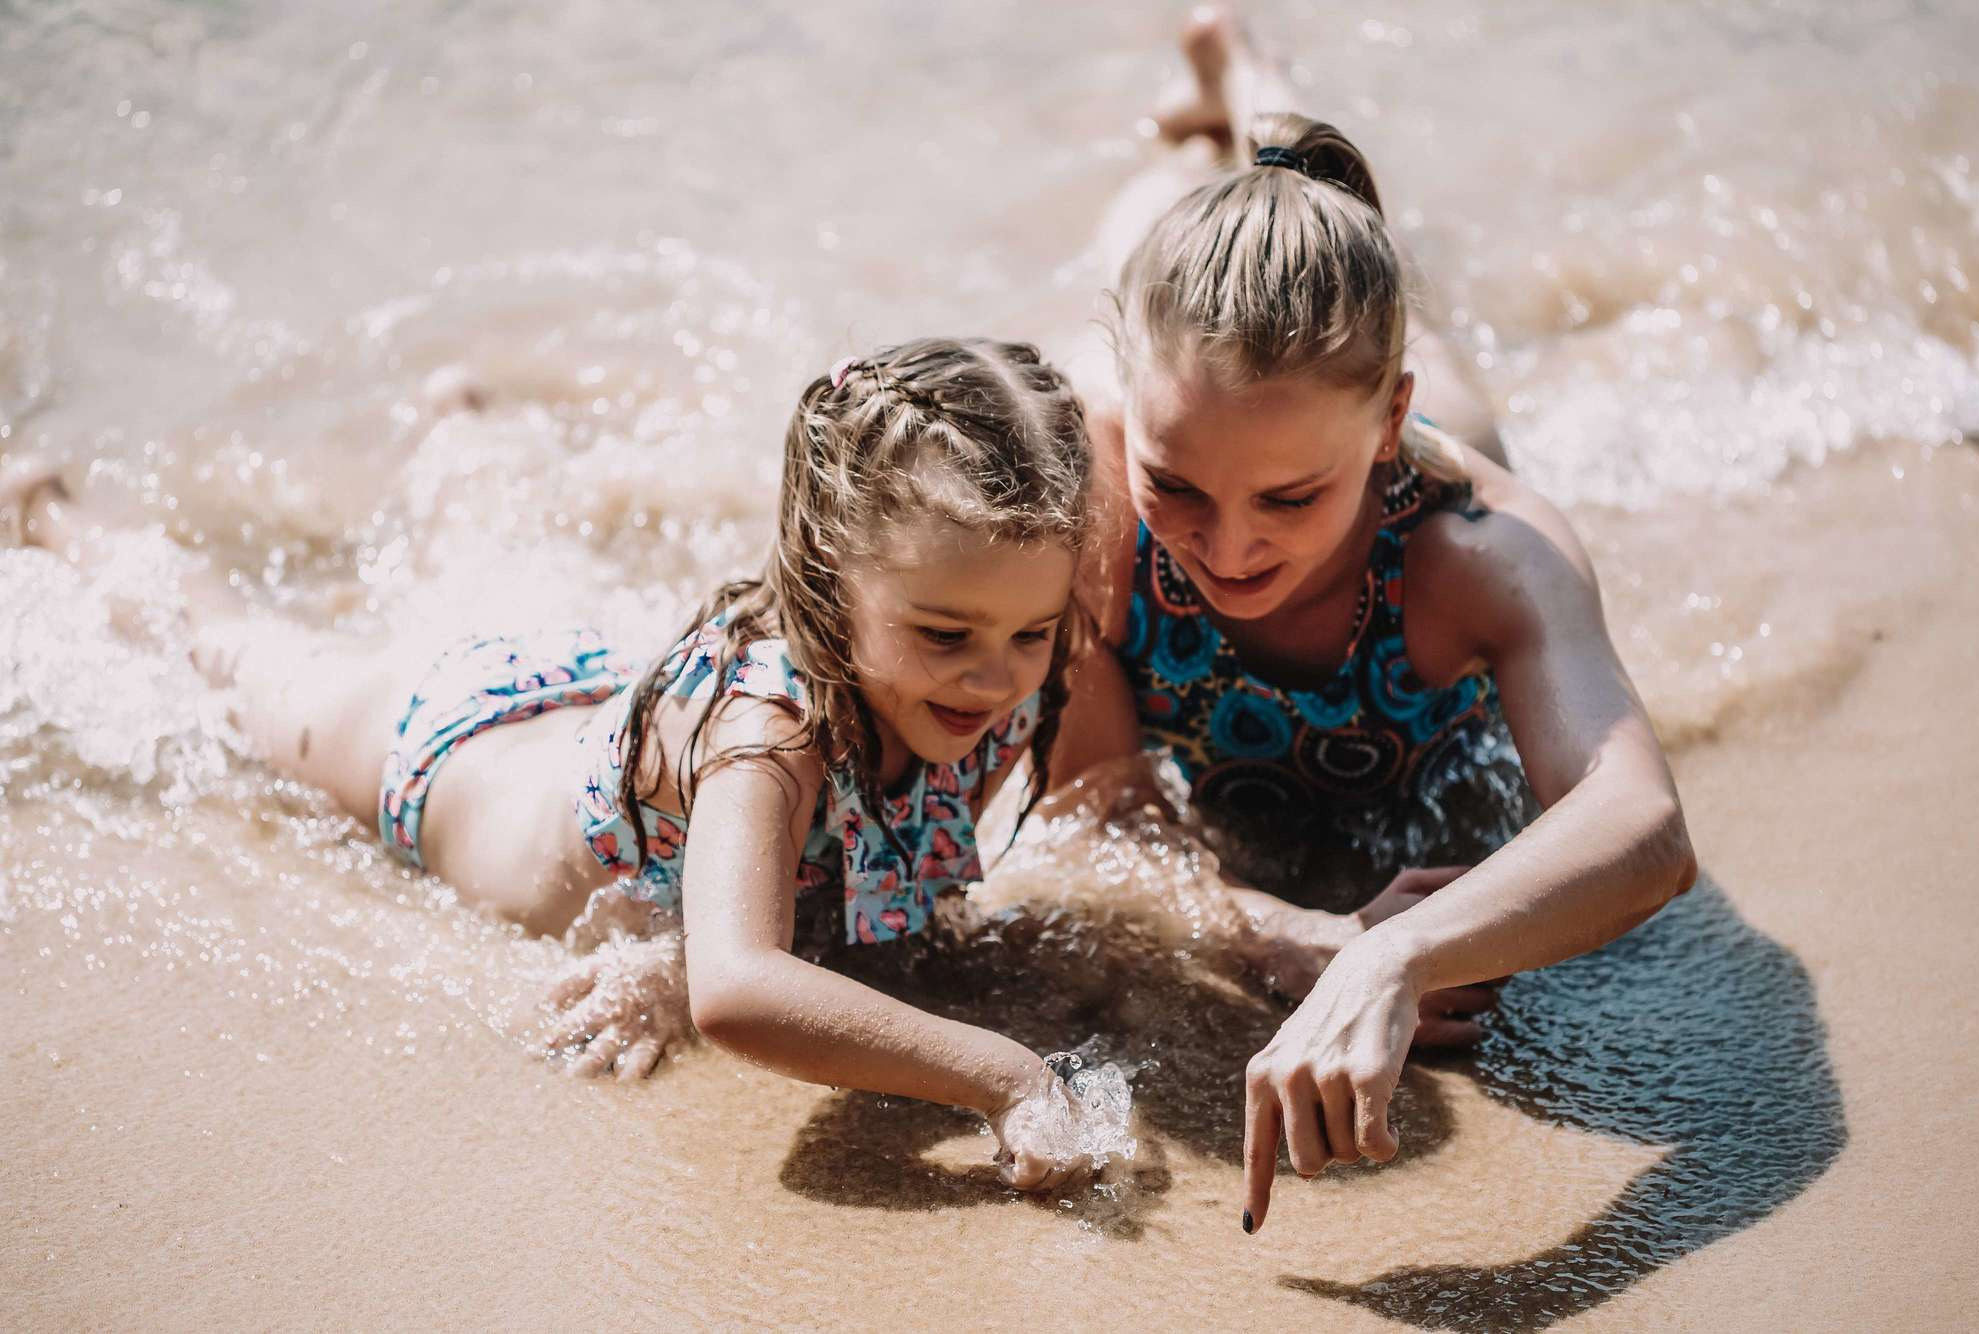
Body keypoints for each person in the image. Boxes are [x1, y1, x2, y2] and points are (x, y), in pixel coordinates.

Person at [3, 336, 1109, 1193]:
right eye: (946, 634)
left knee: (490, 562)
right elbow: (737, 985)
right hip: (434, 750)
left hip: (582, 700)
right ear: (829, 572)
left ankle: (456, 424)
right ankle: (49, 510)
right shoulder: (766, 732)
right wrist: (1002, 1072)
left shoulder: (984, 665)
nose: (992, 677)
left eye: (1027, 632)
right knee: (228, 648)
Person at [1051, 12, 1699, 1231]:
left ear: (1386, 426)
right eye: (1174, 483)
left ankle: (1251, 80)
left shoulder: (1476, 549)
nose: (1228, 547)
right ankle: (1235, 104)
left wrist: (1389, 953)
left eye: (1290, 498)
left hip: (1410, 418)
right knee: (1148, 218)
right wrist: (1282, 931)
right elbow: (1091, 810)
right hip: (1177, 373)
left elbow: (1643, 828)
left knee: (1351, 247)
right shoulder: (1088, 509)